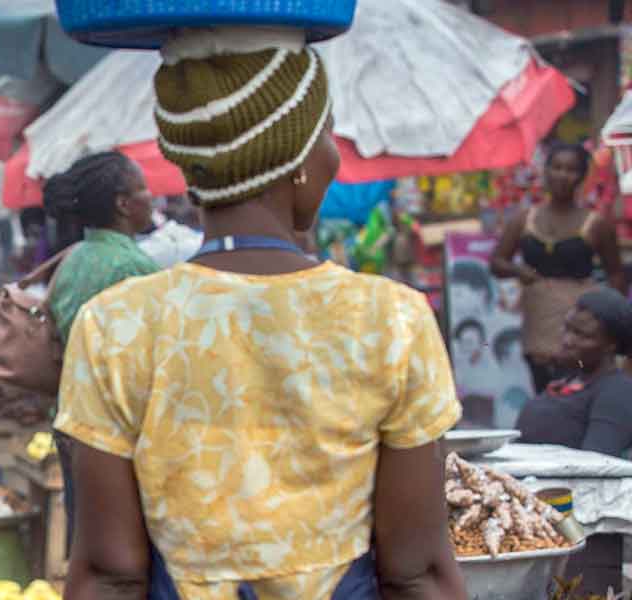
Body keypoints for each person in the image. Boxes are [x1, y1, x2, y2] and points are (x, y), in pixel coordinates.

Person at [56, 30, 465, 598]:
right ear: (298, 158)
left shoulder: (116, 325)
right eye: (325, 132)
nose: (333, 153)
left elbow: (108, 573)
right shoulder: (391, 319)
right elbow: (415, 571)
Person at [516, 289, 632, 594]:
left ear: (611, 345)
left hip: (580, 542)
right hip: (542, 526)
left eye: (582, 335)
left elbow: (595, 469)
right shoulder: (567, 381)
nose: (567, 339)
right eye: (567, 327)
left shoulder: (616, 392)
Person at [493, 142, 624, 391]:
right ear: (546, 171)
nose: (563, 175)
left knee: (578, 387)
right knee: (543, 386)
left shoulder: (595, 225)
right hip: (539, 316)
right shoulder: (525, 219)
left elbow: (615, 274)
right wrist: (518, 271)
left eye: (571, 169)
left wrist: (614, 324)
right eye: (557, 167)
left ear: (582, 177)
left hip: (582, 319)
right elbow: (497, 262)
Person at [43, 150, 160, 342]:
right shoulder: (133, 266)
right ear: (123, 204)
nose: (151, 195)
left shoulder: (74, 256)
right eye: (143, 187)